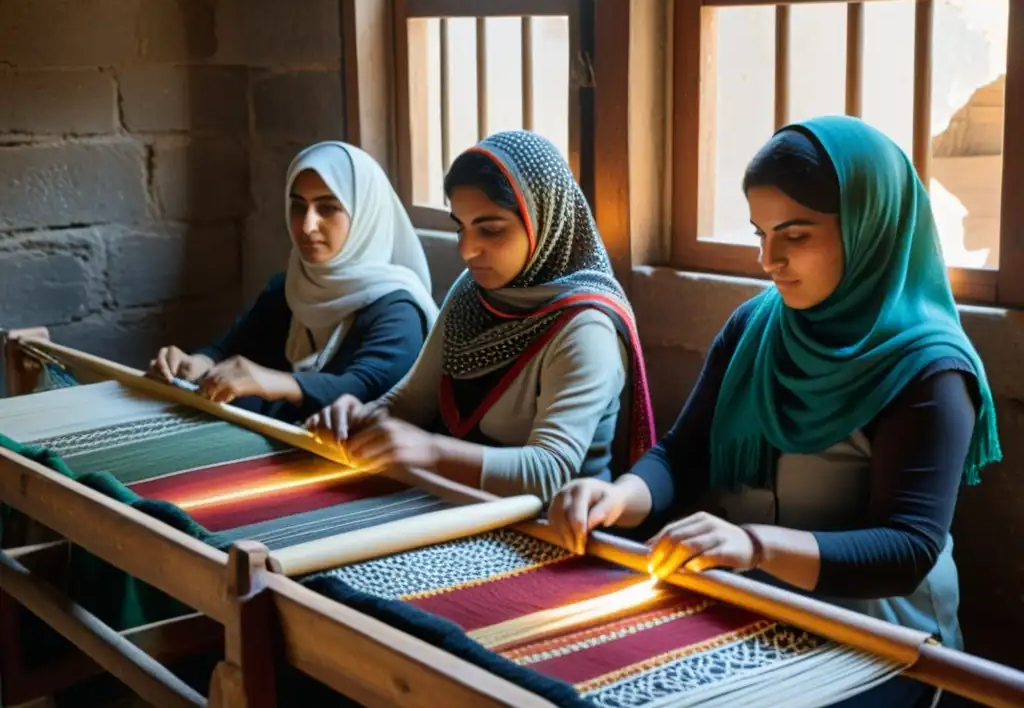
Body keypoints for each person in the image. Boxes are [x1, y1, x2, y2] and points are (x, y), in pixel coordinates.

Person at [548, 115, 1001, 707]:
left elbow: (906, 549)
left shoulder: (929, 369)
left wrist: (755, 545)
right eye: (760, 234)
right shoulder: (757, 327)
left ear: (868, 228)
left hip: (883, 643)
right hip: (761, 609)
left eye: (796, 235)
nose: (769, 259)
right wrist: (619, 496)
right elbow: (682, 455)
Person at [306, 130, 656, 502]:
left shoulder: (587, 327)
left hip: (551, 533)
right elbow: (412, 401)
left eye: (490, 230)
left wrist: (430, 450)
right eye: (461, 227)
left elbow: (549, 473)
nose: (468, 250)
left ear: (543, 223)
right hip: (463, 505)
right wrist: (360, 418)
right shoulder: (474, 292)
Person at [147, 141, 439, 423]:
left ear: (366, 215)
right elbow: (226, 349)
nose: (307, 225)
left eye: (328, 208)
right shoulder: (289, 290)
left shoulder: (398, 309)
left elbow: (366, 390)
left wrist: (276, 382)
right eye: (299, 206)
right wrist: (195, 364)